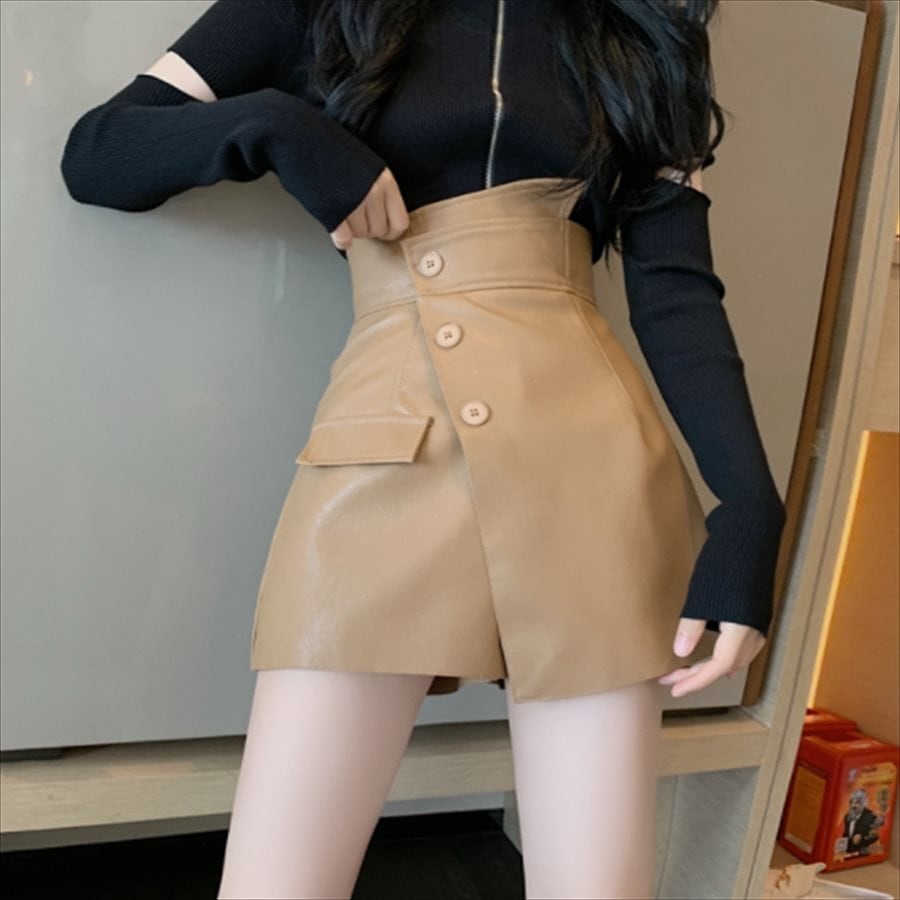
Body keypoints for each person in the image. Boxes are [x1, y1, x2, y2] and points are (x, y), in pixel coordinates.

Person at [59, 1, 786, 897]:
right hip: (383, 443)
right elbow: (99, 151)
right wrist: (280, 126)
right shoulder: (314, 7)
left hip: (592, 466)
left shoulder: (643, 31)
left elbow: (676, 289)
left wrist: (750, 506)